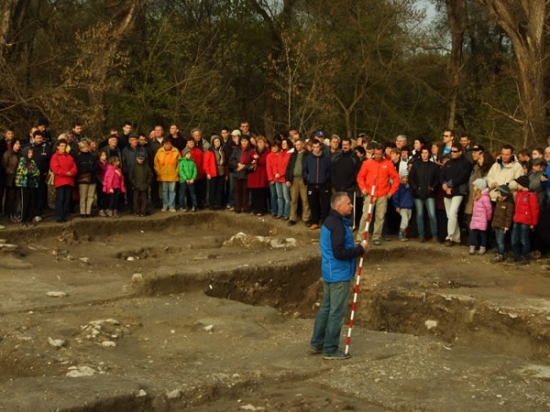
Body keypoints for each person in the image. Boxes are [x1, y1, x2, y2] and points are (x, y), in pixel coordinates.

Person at [309, 192, 368, 360]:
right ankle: (330, 349)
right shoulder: (337, 226)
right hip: (339, 274)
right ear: (339, 206)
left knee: (326, 308)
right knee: (336, 312)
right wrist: (360, 249)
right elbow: (339, 252)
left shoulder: (329, 221)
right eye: (349, 203)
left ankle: (317, 343)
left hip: (330, 272)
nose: (352, 205)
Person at [356, 144, 400, 245]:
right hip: (369, 193)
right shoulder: (367, 163)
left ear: (383, 153)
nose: (377, 156)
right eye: (375, 153)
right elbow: (360, 177)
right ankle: (360, 237)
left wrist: (391, 192)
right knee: (366, 216)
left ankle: (376, 236)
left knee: (380, 217)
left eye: (379, 154)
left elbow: (396, 178)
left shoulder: (388, 164)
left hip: (382, 194)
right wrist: (363, 188)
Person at [440, 143, 472, 246]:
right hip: (447, 191)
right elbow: (442, 174)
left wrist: (449, 185)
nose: (452, 153)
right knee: (450, 215)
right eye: (451, 151)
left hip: (459, 191)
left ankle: (449, 237)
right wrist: (444, 185)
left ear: (460, 152)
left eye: (455, 151)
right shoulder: (448, 163)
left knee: (453, 213)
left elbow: (463, 178)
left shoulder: (466, 163)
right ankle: (457, 238)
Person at [408, 146, 439, 242]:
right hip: (418, 194)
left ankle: (434, 235)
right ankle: (421, 235)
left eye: (426, 153)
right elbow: (411, 178)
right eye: (422, 153)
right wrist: (415, 188)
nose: (424, 155)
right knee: (419, 215)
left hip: (430, 194)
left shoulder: (434, 166)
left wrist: (433, 187)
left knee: (432, 215)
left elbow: (437, 178)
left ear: (429, 154)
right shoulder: (416, 165)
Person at [511, 175, 539, 266]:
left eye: (518, 184)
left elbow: (534, 210)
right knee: (514, 239)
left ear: (523, 184)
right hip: (517, 219)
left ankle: (525, 257)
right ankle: (516, 255)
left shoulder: (531, 195)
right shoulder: (519, 193)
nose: (517, 185)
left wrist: (533, 223)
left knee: (524, 240)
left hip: (526, 221)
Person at [303, 140, 331, 229]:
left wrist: (325, 178)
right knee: (313, 204)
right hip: (312, 185)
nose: (316, 149)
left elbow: (329, 170)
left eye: (317, 147)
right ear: (312, 148)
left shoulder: (326, 158)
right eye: (314, 147)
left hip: (323, 185)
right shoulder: (308, 158)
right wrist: (308, 177)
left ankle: (325, 222)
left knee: (325, 205)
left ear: (320, 147)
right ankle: (315, 222)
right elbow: (304, 170)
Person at [285, 139, 311, 226]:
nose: (297, 146)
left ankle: (306, 218)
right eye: (296, 145)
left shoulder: (308, 155)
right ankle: (292, 218)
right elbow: (289, 167)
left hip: (303, 179)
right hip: (294, 179)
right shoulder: (293, 155)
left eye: (299, 144)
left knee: (305, 200)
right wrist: (288, 179)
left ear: (303, 145)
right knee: (294, 200)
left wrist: (308, 177)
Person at [50, 139, 77, 223]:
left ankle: (64, 215)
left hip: (69, 181)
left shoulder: (69, 157)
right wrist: (66, 173)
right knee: (60, 199)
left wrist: (71, 173)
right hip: (60, 181)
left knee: (67, 199)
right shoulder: (55, 156)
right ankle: (59, 216)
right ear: (58, 147)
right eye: (61, 146)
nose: (63, 147)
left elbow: (74, 168)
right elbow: (56, 169)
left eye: (64, 146)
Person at [229, 135, 254, 214]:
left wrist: (244, 167)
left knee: (245, 192)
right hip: (237, 173)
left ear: (248, 142)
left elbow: (253, 164)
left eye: (246, 141)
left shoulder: (251, 150)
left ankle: (245, 207)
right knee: (237, 191)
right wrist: (238, 164)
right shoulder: (237, 150)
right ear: (240, 142)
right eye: (242, 141)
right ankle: (238, 207)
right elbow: (231, 160)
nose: (244, 142)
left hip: (246, 174)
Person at [15, 147, 40, 226]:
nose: (31, 154)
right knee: (25, 202)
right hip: (24, 184)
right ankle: (23, 220)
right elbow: (25, 172)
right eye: (29, 153)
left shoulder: (32, 161)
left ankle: (29, 220)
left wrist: (32, 172)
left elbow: (37, 172)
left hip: (32, 184)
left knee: (32, 202)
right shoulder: (22, 161)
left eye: (32, 153)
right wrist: (32, 172)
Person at [154, 138, 180, 212]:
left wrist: (176, 171)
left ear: (171, 144)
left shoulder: (176, 151)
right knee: (164, 191)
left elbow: (179, 163)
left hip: (173, 175)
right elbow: (156, 163)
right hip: (163, 175)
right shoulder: (159, 151)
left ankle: (172, 206)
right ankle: (165, 205)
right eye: (165, 144)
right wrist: (158, 172)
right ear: (163, 145)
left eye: (169, 144)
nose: (167, 146)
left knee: (172, 191)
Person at [491, 185, 514, 263]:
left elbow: (509, 216)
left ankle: (500, 254)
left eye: (499, 193)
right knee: (498, 240)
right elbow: (496, 214)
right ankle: (500, 252)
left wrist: (507, 226)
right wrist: (493, 223)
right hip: (497, 224)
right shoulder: (499, 201)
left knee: (500, 241)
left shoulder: (509, 203)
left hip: (502, 226)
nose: (498, 195)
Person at [469, 178, 492, 255]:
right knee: (474, 234)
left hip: (482, 220)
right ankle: (472, 246)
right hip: (476, 219)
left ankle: (483, 247)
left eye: (475, 186)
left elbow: (489, 209)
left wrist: (488, 218)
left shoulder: (485, 198)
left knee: (483, 234)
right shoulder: (476, 197)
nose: (473, 187)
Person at [247, 136, 270, 216]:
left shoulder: (267, 151)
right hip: (254, 174)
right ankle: (255, 209)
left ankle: (261, 209)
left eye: (261, 142)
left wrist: (257, 159)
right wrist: (253, 157)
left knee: (261, 193)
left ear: (264, 143)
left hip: (262, 174)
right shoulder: (253, 150)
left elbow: (264, 161)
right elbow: (248, 159)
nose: (260, 144)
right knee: (254, 193)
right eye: (258, 142)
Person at [75, 141, 98, 218]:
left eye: (86, 147)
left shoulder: (92, 156)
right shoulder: (78, 157)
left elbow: (96, 166)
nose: (86, 148)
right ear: (80, 148)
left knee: (90, 196)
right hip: (83, 179)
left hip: (92, 178)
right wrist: (88, 169)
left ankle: (88, 211)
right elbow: (78, 168)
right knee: (83, 196)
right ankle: (83, 212)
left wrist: (90, 169)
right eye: (83, 147)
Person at [203, 135, 227, 210]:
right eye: (216, 141)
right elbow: (206, 163)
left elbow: (225, 162)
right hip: (213, 172)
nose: (217, 142)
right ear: (213, 143)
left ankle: (219, 204)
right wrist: (208, 173)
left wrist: (226, 173)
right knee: (212, 189)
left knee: (220, 189)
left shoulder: (222, 150)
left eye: (218, 141)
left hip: (221, 172)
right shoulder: (209, 151)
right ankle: (212, 204)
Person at [2, 138, 22, 222]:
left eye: (19, 144)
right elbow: (4, 165)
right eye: (16, 144)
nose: (18, 145)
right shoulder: (8, 153)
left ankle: (15, 213)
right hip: (10, 177)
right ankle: (10, 214)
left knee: (17, 197)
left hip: (19, 177)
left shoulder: (20, 153)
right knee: (11, 197)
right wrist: (10, 171)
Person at [130, 152, 153, 217]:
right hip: (136, 186)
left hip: (144, 186)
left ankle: (143, 211)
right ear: (136, 159)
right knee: (136, 199)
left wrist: (147, 183)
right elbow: (131, 175)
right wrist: (134, 183)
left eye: (142, 159)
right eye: (139, 159)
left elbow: (150, 175)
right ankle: (137, 211)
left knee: (144, 199)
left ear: (144, 159)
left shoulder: (147, 167)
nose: (140, 160)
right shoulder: (134, 166)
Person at [392, 174, 414, 241]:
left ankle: (404, 234)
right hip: (402, 207)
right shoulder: (399, 186)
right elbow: (395, 197)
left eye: (407, 178)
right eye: (404, 178)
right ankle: (401, 234)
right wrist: (396, 206)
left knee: (408, 219)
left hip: (409, 206)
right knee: (405, 220)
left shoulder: (409, 186)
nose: (405, 179)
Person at [178, 147, 199, 212]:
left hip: (191, 180)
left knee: (193, 193)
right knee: (182, 193)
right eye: (187, 154)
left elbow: (195, 171)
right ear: (184, 155)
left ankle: (194, 206)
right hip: (183, 181)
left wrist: (193, 178)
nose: (189, 155)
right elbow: (181, 171)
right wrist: (186, 179)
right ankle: (182, 206)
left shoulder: (192, 162)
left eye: (189, 154)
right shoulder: (182, 162)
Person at [97, 151, 110, 217]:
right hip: (100, 182)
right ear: (99, 156)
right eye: (103, 155)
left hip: (108, 182)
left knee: (107, 196)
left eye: (105, 155)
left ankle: (106, 208)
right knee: (100, 196)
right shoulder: (97, 163)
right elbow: (97, 174)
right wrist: (101, 181)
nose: (104, 156)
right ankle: (100, 209)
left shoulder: (108, 163)